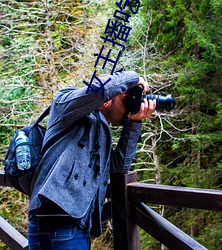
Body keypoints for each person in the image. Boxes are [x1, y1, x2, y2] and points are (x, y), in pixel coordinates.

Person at [28, 70, 156, 250]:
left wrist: (134, 123)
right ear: (108, 97)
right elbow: (96, 90)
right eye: (124, 99)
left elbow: (118, 167)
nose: (128, 106)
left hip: (73, 226)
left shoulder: (101, 130)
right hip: (59, 224)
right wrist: (134, 78)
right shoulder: (65, 101)